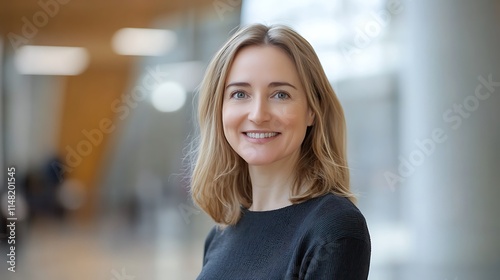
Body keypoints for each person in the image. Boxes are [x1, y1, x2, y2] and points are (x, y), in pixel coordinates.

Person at [190, 23, 371, 279]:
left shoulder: (333, 229)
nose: (258, 115)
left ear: (312, 110)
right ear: (219, 109)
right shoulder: (222, 232)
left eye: (280, 95)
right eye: (240, 94)